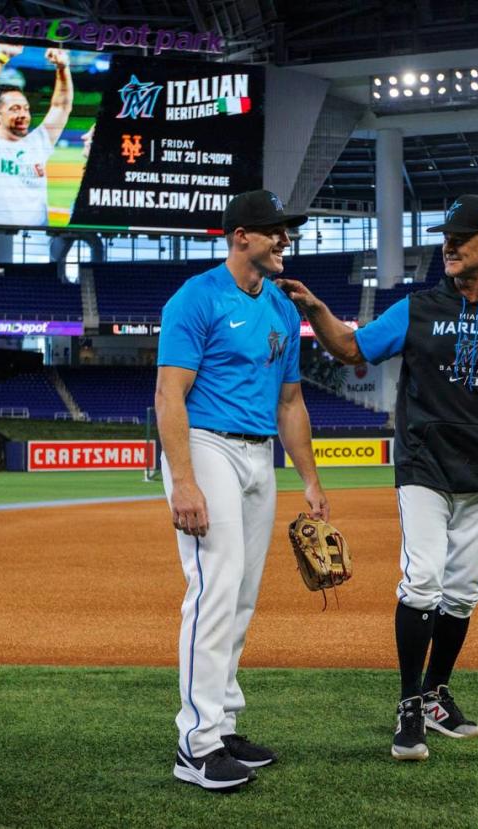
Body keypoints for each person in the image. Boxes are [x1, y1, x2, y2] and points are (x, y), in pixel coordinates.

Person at [277, 194, 478, 761]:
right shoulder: (417, 308)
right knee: (423, 580)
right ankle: (409, 706)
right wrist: (314, 308)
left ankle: (437, 694)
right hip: (424, 466)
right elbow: (350, 346)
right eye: (445, 237)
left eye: (461, 237)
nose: (448, 246)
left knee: (463, 592)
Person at [155, 189, 329, 791]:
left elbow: (291, 401)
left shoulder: (282, 309)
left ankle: (223, 722)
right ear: (241, 236)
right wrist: (183, 480)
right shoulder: (197, 297)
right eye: (275, 231)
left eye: (286, 231)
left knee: (245, 592)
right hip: (207, 445)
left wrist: (309, 480)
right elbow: (169, 393)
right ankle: (195, 742)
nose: (285, 239)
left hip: (259, 454)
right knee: (215, 585)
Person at [0, 43, 73, 226]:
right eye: (14, 109)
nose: (23, 114)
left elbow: (61, 106)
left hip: (39, 244)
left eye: (26, 109)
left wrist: (62, 67)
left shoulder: (38, 143)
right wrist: (1, 56)